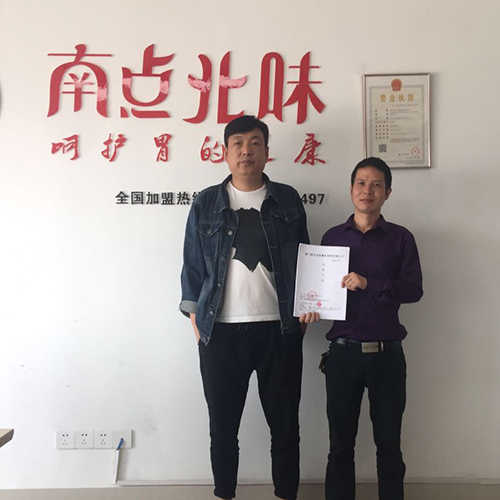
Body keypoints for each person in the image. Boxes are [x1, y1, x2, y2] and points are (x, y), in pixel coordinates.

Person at [180, 115, 317, 500]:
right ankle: (225, 493)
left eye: (255, 143)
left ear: (267, 151)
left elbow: (305, 258)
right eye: (237, 144)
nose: (246, 151)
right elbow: (192, 267)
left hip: (279, 329)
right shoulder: (206, 202)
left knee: (285, 427)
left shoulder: (287, 199)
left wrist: (305, 309)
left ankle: (286, 493)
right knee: (223, 428)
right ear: (225, 153)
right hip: (220, 332)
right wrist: (196, 321)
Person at [320, 157, 423, 500]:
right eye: (361, 183)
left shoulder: (401, 238)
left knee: (389, 445)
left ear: (387, 192)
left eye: (376, 184)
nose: (368, 191)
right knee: (339, 445)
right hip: (342, 355)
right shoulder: (332, 237)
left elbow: (414, 290)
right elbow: (320, 287)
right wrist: (310, 306)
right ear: (351, 189)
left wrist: (369, 283)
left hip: (386, 356)